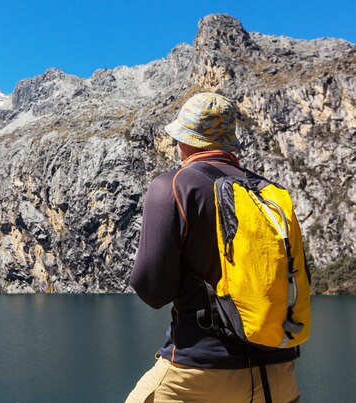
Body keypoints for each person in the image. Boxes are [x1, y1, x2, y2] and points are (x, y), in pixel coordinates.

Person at [125, 92, 300, 403]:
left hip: (196, 376)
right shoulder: (271, 192)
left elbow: (152, 290)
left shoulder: (174, 185)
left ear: (186, 140)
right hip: (279, 377)